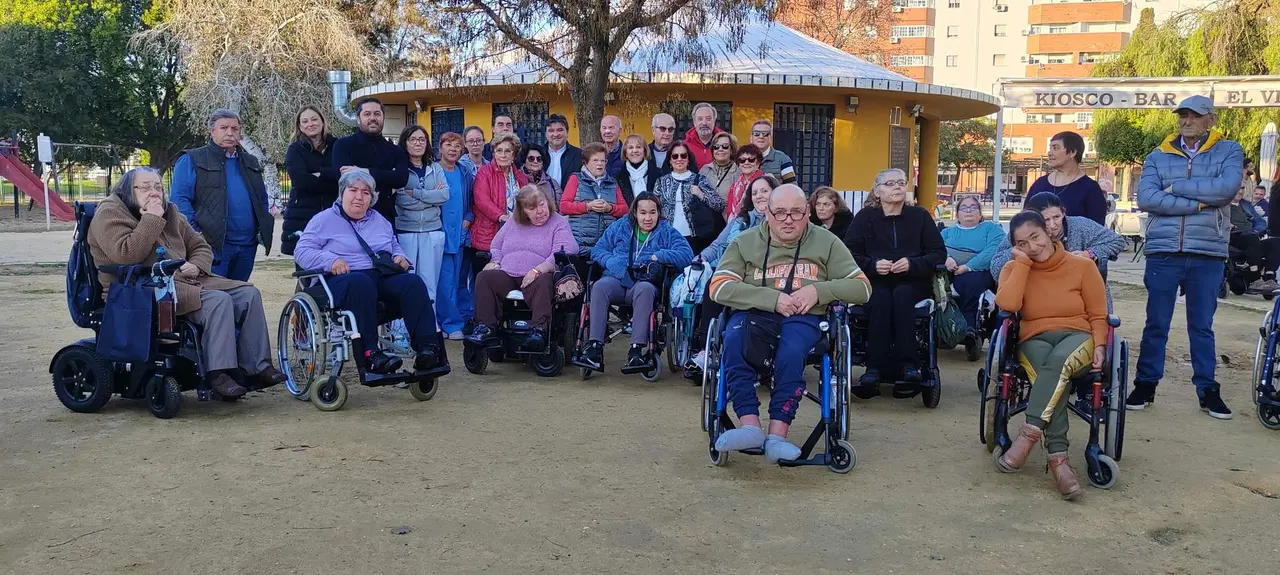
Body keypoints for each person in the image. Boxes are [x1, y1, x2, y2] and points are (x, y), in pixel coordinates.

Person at [708, 184, 872, 462]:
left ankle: (777, 434)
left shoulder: (827, 242)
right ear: (767, 214)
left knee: (791, 352)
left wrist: (819, 291)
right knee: (733, 342)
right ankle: (749, 426)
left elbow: (863, 288)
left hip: (804, 316)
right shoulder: (744, 242)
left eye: (796, 212)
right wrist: (771, 299)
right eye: (780, 212)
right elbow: (719, 287)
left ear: (808, 212)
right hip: (754, 315)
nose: (788, 219)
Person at [89, 167, 285, 399]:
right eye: (145, 187)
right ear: (127, 190)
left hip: (183, 280)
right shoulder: (111, 212)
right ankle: (218, 373)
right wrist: (151, 217)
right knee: (218, 301)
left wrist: (197, 265)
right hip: (140, 287)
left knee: (248, 294)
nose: (154, 192)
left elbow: (200, 245)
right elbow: (126, 254)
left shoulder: (170, 211)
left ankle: (256, 368)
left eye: (158, 187)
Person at [1128, 95, 1244, 419]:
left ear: (1211, 120)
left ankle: (1207, 390)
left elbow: (1227, 189)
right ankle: (1145, 385)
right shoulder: (1158, 154)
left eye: (1194, 116)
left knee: (1202, 326)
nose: (1187, 121)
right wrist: (1199, 202)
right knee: (1156, 324)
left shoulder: (1230, 150)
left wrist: (1176, 186)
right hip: (1164, 251)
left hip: (1207, 252)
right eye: (1183, 115)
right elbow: (1147, 197)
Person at [992, 210, 1109, 500]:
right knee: (1052, 372)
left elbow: (1098, 312)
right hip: (1034, 338)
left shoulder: (1082, 266)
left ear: (1049, 232)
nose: (1032, 246)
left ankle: (1029, 434)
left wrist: (1102, 345)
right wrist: (1021, 265)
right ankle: (1059, 460)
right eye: (1022, 243)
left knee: (1057, 363)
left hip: (1078, 336)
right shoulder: (1013, 267)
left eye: (1036, 237)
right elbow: (1007, 304)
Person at [294, 169, 445, 375]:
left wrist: (399, 258)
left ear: (372, 198)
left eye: (366, 192)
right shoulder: (324, 219)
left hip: (377, 276)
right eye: (353, 190)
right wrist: (331, 261)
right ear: (342, 193)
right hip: (339, 280)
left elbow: (393, 246)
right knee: (360, 282)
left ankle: (428, 349)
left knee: (413, 283)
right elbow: (302, 251)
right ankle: (370, 354)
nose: (359, 196)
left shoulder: (380, 220)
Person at [843, 168, 946, 396]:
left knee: (902, 294)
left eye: (901, 182)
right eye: (890, 184)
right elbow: (848, 253)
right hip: (874, 281)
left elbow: (938, 254)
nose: (897, 187)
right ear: (877, 191)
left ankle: (909, 365)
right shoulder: (865, 218)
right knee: (879, 296)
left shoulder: (919, 217)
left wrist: (912, 264)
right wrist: (872, 265)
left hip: (913, 282)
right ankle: (874, 368)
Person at [578, 192, 694, 371]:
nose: (648, 218)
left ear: (658, 213)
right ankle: (594, 348)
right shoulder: (620, 227)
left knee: (645, 290)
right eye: (643, 213)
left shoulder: (666, 231)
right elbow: (598, 249)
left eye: (652, 212)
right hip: (616, 278)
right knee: (599, 287)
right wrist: (611, 261)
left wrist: (660, 255)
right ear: (635, 213)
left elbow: (687, 255)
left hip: (644, 282)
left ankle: (636, 350)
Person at [686, 174, 779, 374]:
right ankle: (706, 350)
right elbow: (718, 244)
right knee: (714, 286)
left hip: (763, 277)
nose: (759, 196)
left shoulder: (781, 222)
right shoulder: (740, 220)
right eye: (755, 193)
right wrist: (699, 259)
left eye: (764, 191)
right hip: (732, 272)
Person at [468, 185, 578, 350]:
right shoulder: (513, 221)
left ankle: (539, 330)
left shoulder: (558, 222)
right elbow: (496, 244)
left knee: (544, 280)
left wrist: (538, 269)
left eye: (542, 204)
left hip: (537, 275)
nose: (540, 211)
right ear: (523, 211)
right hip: (508, 273)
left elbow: (565, 250)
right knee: (484, 278)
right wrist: (496, 261)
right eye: (532, 208)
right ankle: (486, 328)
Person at [170, 109, 274, 282]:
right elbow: (179, 200)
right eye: (223, 128)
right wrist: (196, 234)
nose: (229, 133)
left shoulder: (251, 162)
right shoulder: (192, 159)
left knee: (240, 294)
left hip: (247, 245)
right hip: (213, 245)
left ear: (240, 132)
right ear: (212, 131)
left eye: (234, 129)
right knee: (216, 297)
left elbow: (261, 198)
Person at [989, 192, 1125, 292]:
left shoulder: (1080, 226)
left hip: (1080, 290)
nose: (1053, 225)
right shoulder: (1023, 231)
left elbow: (1116, 241)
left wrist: (1089, 253)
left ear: (1063, 212)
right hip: (1036, 293)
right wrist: (1021, 249)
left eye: (1057, 217)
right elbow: (995, 269)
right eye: (1046, 220)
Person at [394, 125, 450, 306]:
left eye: (422, 139)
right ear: (405, 142)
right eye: (413, 139)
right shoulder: (399, 169)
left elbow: (443, 196)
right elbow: (401, 199)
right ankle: (401, 331)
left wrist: (416, 193)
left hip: (432, 230)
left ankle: (429, 326)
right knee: (406, 282)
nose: (418, 143)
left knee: (429, 283)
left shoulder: (435, 168)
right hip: (405, 231)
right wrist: (430, 195)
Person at [331, 97, 410, 223]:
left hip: (385, 218)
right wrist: (387, 178)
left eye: (377, 114)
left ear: (383, 118)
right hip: (350, 220)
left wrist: (365, 172)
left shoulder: (396, 151)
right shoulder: (343, 145)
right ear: (358, 119)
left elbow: (401, 179)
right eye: (367, 114)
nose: (372, 118)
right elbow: (344, 178)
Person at [940, 194, 1003, 340]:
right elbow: (936, 249)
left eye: (973, 207)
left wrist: (968, 267)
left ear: (980, 214)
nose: (968, 211)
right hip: (947, 269)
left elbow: (993, 250)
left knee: (969, 282)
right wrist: (947, 258)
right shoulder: (947, 232)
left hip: (979, 271)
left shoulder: (991, 229)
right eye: (964, 208)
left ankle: (968, 327)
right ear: (957, 214)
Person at [282, 106, 339, 256]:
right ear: (300, 126)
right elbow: (301, 180)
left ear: (322, 121)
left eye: (314, 119)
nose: (310, 124)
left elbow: (343, 175)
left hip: (333, 213)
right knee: (306, 269)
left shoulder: (338, 147)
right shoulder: (295, 149)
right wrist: (331, 178)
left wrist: (320, 173)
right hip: (302, 215)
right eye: (305, 121)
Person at [434, 132, 474, 340]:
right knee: (442, 281)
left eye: (457, 146)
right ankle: (448, 323)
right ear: (440, 148)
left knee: (457, 279)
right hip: (438, 233)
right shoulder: (433, 170)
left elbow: (472, 201)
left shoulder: (465, 172)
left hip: (459, 233)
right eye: (448, 145)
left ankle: (459, 319)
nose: (452, 149)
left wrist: (468, 218)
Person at [652, 141, 725, 253]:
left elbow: (719, 205)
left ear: (688, 159)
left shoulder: (699, 180)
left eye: (683, 155)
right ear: (670, 160)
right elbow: (654, 208)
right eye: (675, 156)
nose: (679, 159)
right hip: (668, 237)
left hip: (695, 238)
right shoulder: (661, 182)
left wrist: (701, 194)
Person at [560, 142, 628, 253]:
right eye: (595, 160)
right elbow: (564, 206)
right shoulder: (575, 179)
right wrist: (588, 206)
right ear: (585, 162)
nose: (600, 164)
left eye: (603, 160)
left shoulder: (612, 183)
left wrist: (610, 208)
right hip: (580, 242)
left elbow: (625, 209)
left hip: (606, 244)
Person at [1027, 131, 1107, 225]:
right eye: (1050, 148)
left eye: (1055, 148)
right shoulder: (1039, 184)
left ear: (1072, 152)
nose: (1049, 153)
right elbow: (1025, 220)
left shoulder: (1090, 188)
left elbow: (1096, 230)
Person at [471, 133, 529, 258]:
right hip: (490, 232)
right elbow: (482, 200)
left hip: (516, 232)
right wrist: (501, 216)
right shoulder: (484, 172)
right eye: (499, 151)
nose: (503, 155)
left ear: (513, 155)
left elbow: (526, 201)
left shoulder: (520, 176)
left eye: (507, 151)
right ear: (494, 153)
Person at [1229, 185, 1275, 292]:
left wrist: (1256, 230)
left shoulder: (1246, 205)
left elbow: (1260, 221)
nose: (1240, 192)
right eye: (1238, 190)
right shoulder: (1224, 205)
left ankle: (1269, 277)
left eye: (1242, 191)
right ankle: (1255, 279)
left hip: (1250, 235)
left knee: (1275, 243)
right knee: (1251, 239)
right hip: (1234, 235)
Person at [722, 144, 764, 222]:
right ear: (739, 164)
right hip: (735, 225)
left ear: (758, 163)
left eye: (751, 159)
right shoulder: (734, 187)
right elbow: (730, 212)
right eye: (742, 160)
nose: (746, 162)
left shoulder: (765, 183)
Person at [749, 120, 797, 184]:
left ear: (770, 138)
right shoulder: (742, 159)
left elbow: (792, 186)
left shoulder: (783, 159)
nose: (761, 137)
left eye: (765, 134)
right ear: (751, 138)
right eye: (756, 134)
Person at [615, 134, 658, 205]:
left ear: (644, 151)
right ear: (625, 153)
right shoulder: (618, 178)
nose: (634, 150)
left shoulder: (657, 174)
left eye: (638, 147)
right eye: (630, 147)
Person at [698, 132, 739, 202]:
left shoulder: (738, 171)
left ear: (731, 150)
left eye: (725, 146)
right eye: (716, 147)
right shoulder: (705, 170)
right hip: (707, 212)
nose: (720, 149)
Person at [545, 114, 582, 190]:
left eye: (560, 130)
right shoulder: (537, 155)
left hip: (569, 201)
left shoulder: (579, 155)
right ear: (546, 134)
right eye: (551, 131)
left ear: (567, 132)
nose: (555, 134)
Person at [684, 102, 725, 168]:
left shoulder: (726, 145)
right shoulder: (685, 146)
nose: (704, 123)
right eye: (700, 119)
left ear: (714, 120)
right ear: (694, 122)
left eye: (708, 119)